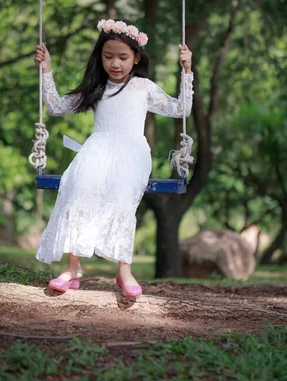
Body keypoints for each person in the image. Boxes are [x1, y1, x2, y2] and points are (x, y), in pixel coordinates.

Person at [33, 18, 194, 297]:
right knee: (78, 189)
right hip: (97, 148)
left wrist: (187, 71)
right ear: (101, 57)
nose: (115, 64)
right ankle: (72, 268)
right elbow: (57, 107)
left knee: (122, 199)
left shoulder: (143, 88)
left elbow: (181, 109)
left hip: (132, 152)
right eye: (108, 57)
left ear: (136, 58)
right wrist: (46, 70)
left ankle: (124, 270)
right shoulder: (97, 88)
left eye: (122, 57)